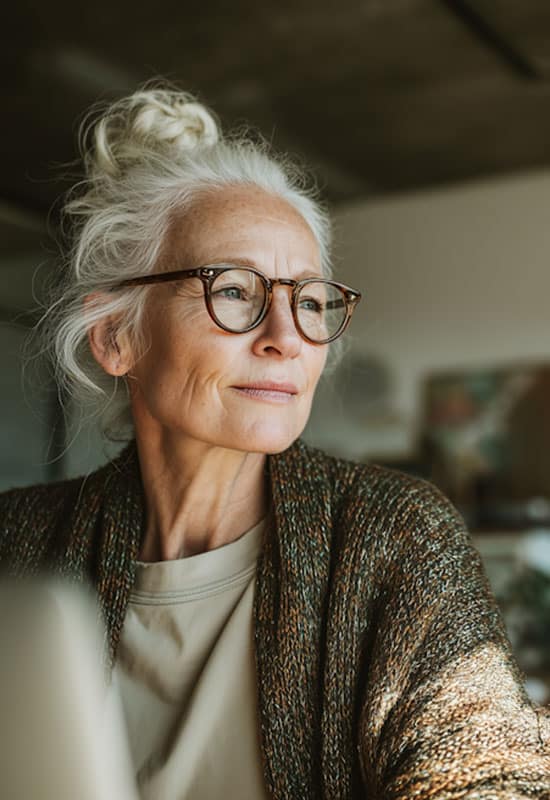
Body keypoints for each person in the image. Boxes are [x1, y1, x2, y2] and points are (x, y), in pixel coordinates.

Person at [0, 86, 549, 799]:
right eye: (234, 290)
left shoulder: (394, 534)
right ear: (115, 336)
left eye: (312, 300)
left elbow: (492, 776)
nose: (287, 337)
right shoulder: (18, 541)